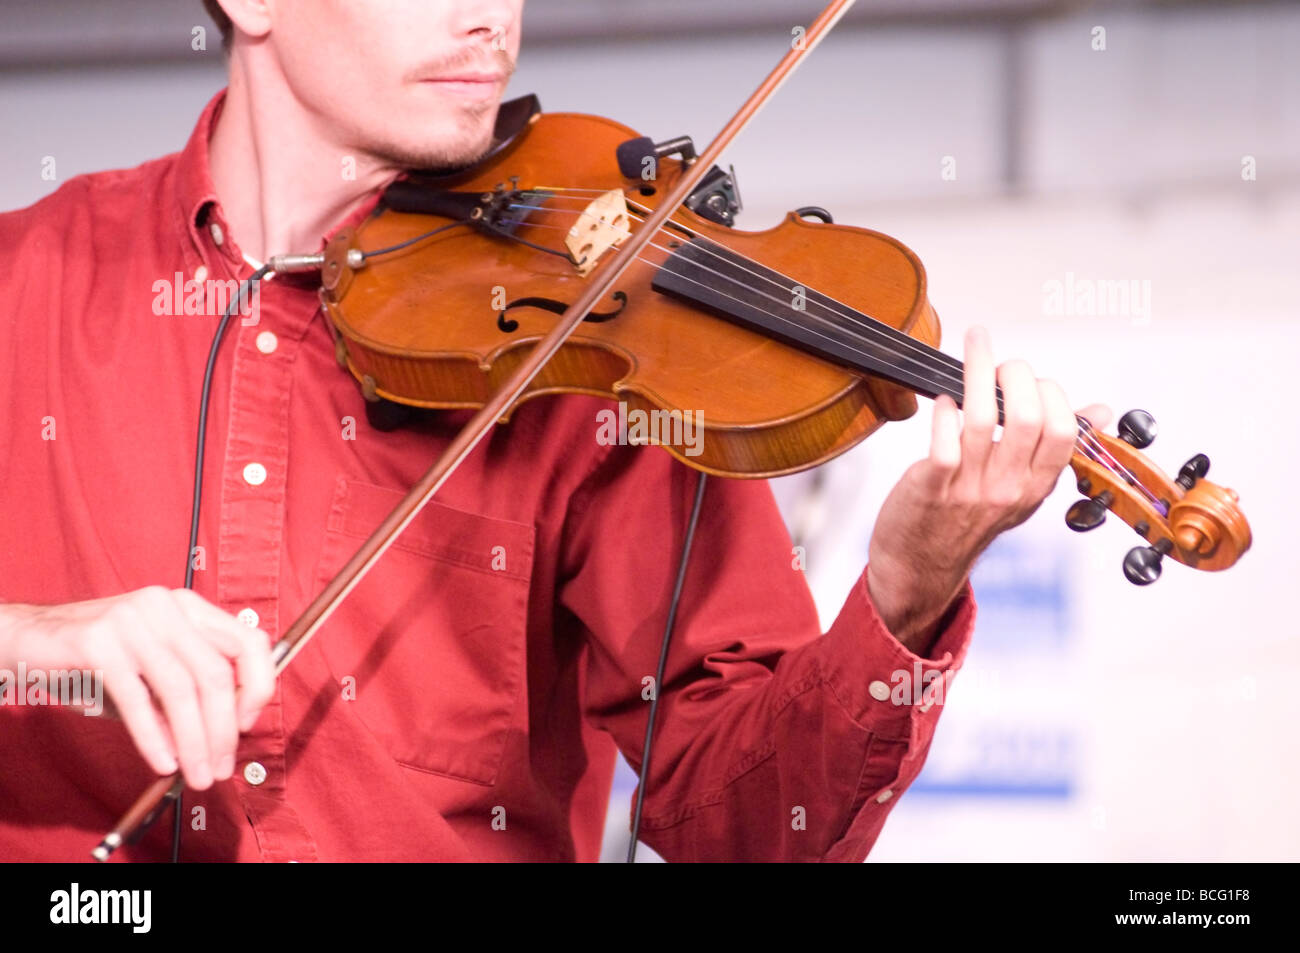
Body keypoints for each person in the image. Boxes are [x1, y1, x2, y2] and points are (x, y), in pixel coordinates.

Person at [0, 0, 1109, 862]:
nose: (490, 18)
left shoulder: (605, 345)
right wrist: (34, 646)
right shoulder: (22, 280)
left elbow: (755, 829)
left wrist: (906, 588)